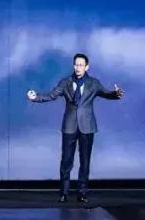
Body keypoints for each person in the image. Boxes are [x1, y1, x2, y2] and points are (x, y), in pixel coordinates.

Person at [27, 53, 123, 203]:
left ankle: (82, 193)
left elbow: (107, 94)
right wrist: (36, 97)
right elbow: (52, 95)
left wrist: (116, 94)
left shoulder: (94, 83)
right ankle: (64, 193)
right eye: (76, 64)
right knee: (66, 161)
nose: (78, 67)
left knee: (85, 161)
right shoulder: (65, 82)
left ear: (87, 67)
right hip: (69, 125)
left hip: (87, 126)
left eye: (81, 65)